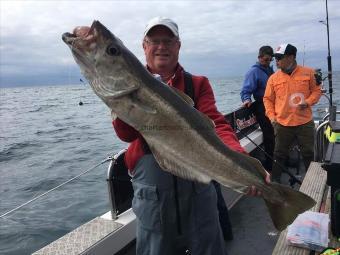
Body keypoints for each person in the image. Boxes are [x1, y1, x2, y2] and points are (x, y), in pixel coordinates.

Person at [112, 17, 269, 255]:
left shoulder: (197, 84)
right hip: (154, 198)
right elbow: (125, 134)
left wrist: (242, 161)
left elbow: (217, 126)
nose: (162, 46)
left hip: (198, 195)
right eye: (155, 40)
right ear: (144, 46)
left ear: (178, 45)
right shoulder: (126, 82)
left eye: (168, 40)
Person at [263, 43, 321, 183]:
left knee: (309, 153)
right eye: (275, 58)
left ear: (291, 57)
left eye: (280, 57)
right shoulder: (273, 78)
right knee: (279, 154)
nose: (276, 61)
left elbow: (316, 91)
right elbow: (267, 99)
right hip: (282, 124)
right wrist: (272, 118)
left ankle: (312, 182)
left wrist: (307, 102)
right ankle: (275, 183)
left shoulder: (310, 73)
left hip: (304, 122)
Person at [240, 46, 275, 172]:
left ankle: (278, 161)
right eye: (265, 59)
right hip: (262, 106)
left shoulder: (270, 70)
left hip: (275, 105)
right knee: (269, 135)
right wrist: (246, 100)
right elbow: (245, 91)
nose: (268, 62)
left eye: (270, 60)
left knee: (277, 133)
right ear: (259, 57)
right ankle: (270, 166)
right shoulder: (253, 72)